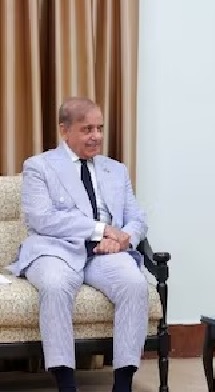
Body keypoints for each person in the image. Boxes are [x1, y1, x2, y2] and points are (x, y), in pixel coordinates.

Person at [7, 97, 149, 392]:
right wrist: (102, 229)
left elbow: (136, 218)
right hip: (54, 250)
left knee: (134, 284)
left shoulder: (116, 170)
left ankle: (123, 384)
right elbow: (42, 219)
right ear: (64, 130)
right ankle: (66, 385)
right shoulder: (39, 167)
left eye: (99, 128)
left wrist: (123, 240)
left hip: (105, 253)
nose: (96, 136)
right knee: (56, 285)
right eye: (87, 129)